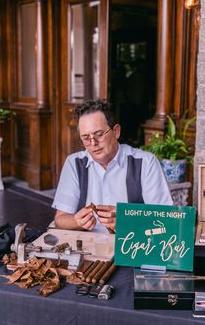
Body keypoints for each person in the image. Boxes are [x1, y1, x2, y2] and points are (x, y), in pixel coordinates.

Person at [52, 99, 173, 233]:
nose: (93, 143)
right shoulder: (74, 163)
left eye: (99, 134)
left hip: (133, 246)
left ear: (116, 131)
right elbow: (60, 219)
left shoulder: (145, 163)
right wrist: (76, 221)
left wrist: (126, 222)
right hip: (87, 249)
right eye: (86, 138)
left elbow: (165, 219)